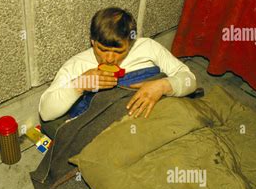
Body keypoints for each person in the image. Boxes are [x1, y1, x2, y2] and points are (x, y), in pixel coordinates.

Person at [39, 7, 197, 121]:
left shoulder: (147, 47)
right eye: (102, 49)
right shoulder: (77, 65)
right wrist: (79, 85)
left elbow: (190, 81)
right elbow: (46, 113)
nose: (109, 59)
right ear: (92, 42)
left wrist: (162, 86)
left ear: (130, 43)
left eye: (118, 51)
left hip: (158, 115)